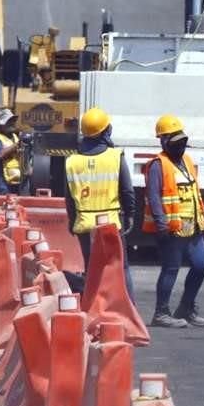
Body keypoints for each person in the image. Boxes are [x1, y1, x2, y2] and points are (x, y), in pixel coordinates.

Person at [142, 115, 204, 329]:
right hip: (172, 228)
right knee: (171, 269)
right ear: (163, 141)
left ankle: (186, 308)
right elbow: (153, 197)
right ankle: (161, 313)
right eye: (175, 143)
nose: (180, 146)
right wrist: (161, 224)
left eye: (182, 142)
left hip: (193, 226)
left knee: (201, 265)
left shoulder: (187, 161)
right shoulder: (157, 165)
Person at [64, 107, 136, 300]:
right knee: (121, 267)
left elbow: (69, 198)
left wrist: (72, 222)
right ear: (106, 131)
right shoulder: (115, 157)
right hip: (111, 222)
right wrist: (130, 214)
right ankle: (129, 310)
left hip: (85, 225)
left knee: (92, 268)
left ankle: (93, 309)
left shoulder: (72, 162)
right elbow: (127, 191)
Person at [0, 109, 24, 195]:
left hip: (17, 180)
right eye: (9, 121)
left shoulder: (15, 137)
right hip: (3, 181)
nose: (12, 123)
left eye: (13, 121)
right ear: (1, 125)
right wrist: (16, 145)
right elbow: (0, 155)